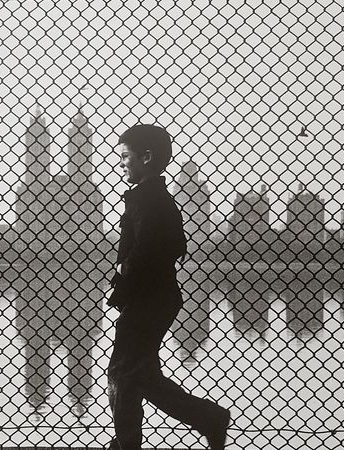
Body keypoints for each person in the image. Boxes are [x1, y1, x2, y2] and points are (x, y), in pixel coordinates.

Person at [107, 124, 231, 450]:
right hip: (157, 298)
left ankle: (126, 445)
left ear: (146, 157)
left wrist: (125, 277)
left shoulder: (147, 199)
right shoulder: (156, 197)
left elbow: (146, 249)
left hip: (148, 300)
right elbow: (173, 245)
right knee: (141, 375)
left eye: (125, 157)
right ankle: (207, 419)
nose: (121, 164)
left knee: (123, 373)